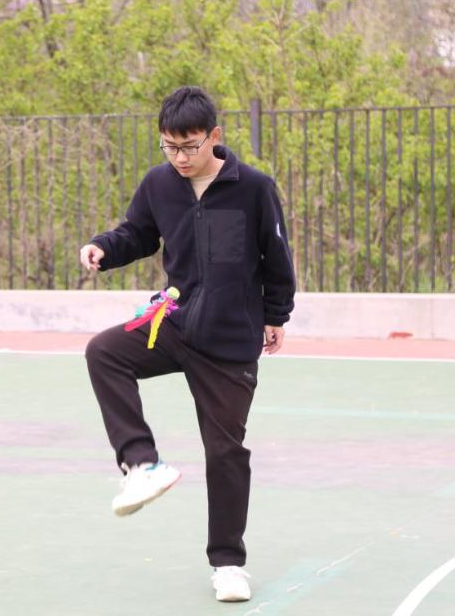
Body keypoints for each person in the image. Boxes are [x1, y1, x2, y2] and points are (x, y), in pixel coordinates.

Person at [80, 86, 296, 602]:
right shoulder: (159, 183)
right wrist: (102, 248)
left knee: (225, 453)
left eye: (189, 146)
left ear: (213, 137)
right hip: (172, 323)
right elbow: (137, 233)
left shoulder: (254, 188)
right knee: (104, 352)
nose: (179, 158)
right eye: (170, 147)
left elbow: (276, 257)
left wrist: (276, 316)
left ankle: (228, 564)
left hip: (229, 338)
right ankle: (142, 464)